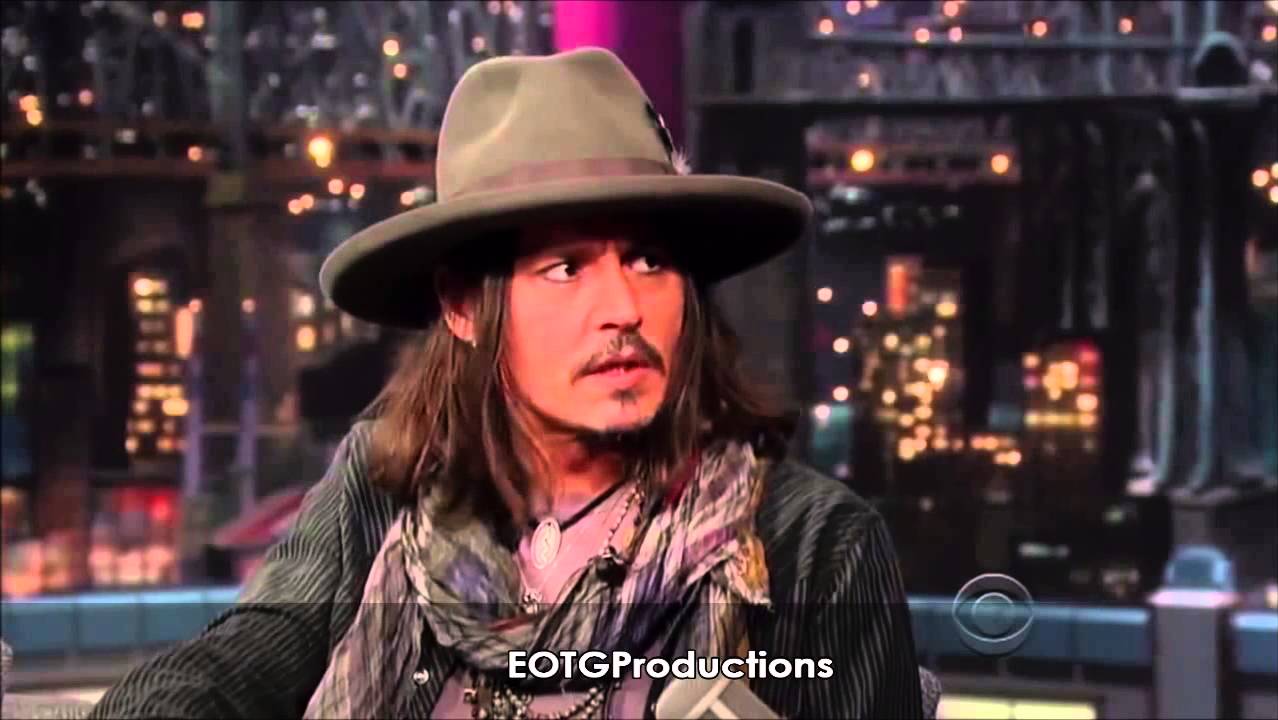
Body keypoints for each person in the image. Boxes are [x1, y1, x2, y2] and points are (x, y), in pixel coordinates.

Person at [89, 47, 923, 719]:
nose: (623, 307)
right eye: (566, 268)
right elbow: (238, 661)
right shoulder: (381, 491)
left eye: (649, 260)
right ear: (464, 306)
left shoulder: (814, 549)